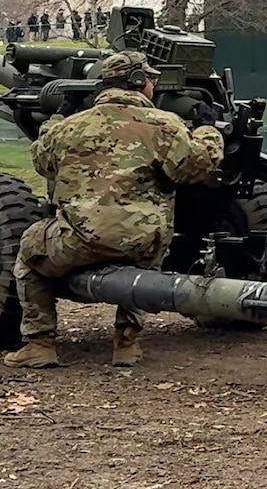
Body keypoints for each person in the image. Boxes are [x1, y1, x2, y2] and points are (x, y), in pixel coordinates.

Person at [4, 51, 223, 368]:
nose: (153, 85)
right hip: (144, 244)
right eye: (150, 79)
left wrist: (57, 118)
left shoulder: (72, 127)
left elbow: (42, 161)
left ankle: (40, 343)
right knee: (144, 250)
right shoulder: (165, 125)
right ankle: (126, 344)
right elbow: (197, 166)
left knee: (29, 251)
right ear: (138, 81)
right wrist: (207, 128)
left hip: (80, 240)